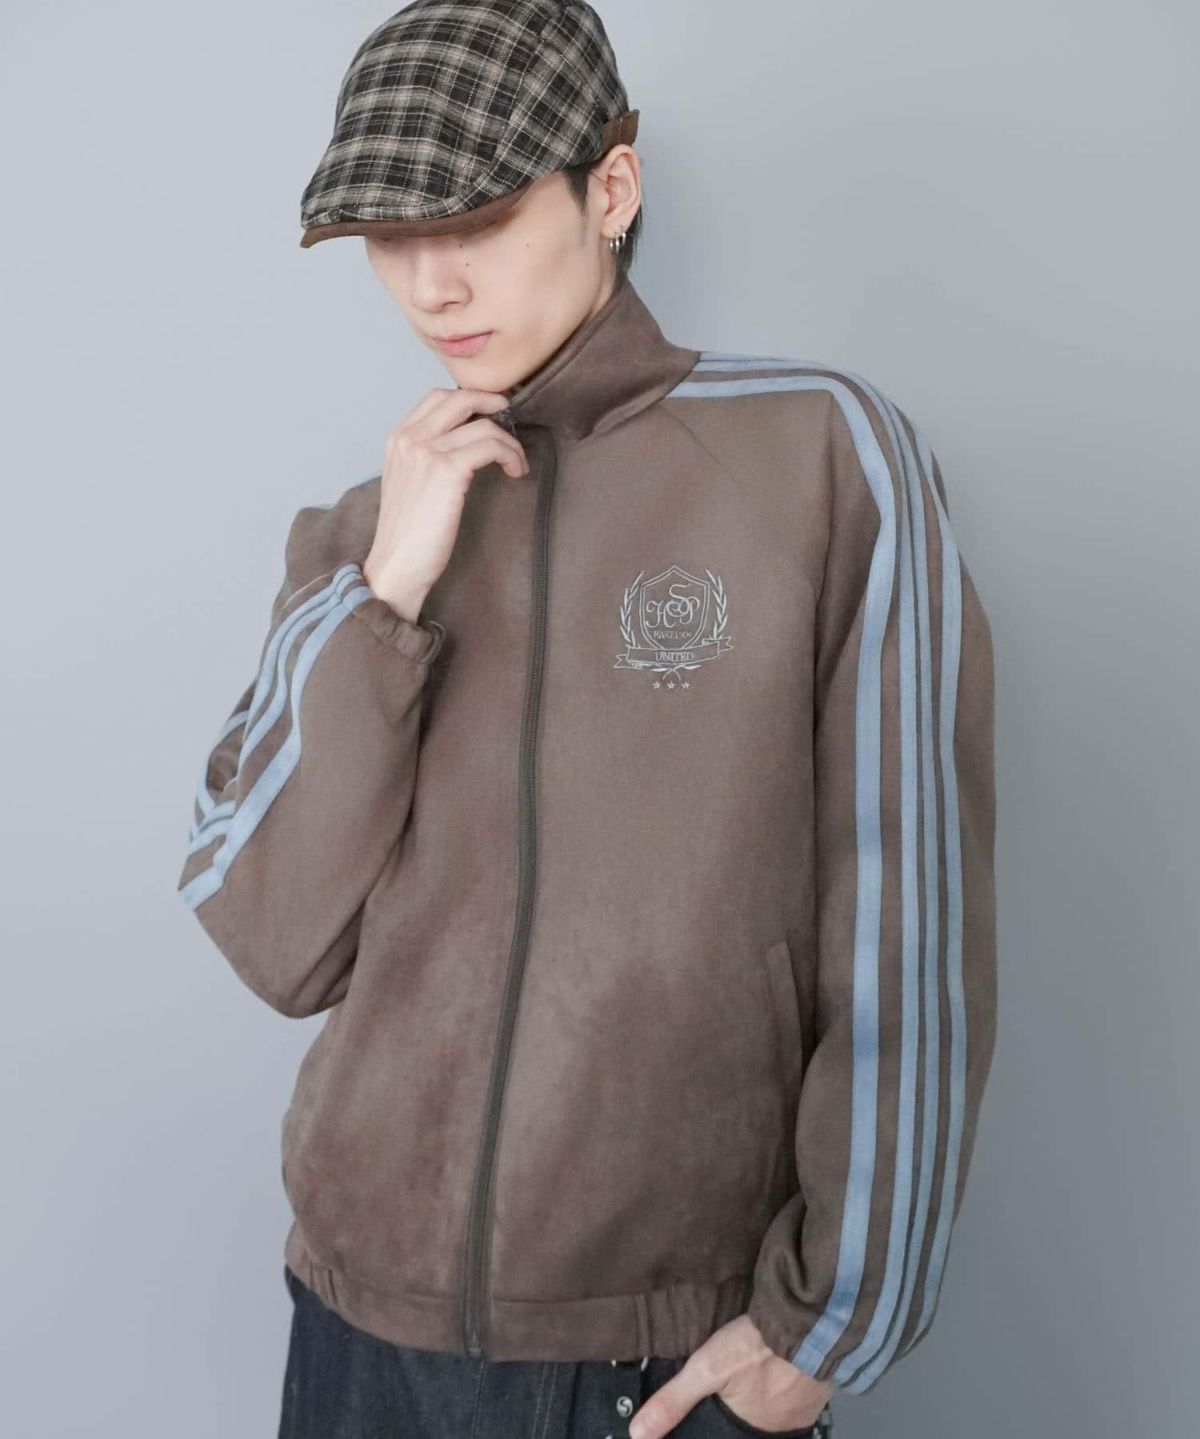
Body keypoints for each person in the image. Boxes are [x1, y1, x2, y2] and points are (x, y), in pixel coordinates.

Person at [176, 3, 998, 1436]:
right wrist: (386, 594)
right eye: (389, 237)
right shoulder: (367, 534)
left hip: (657, 1359)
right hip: (361, 1333)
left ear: (608, 190)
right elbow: (271, 937)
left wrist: (828, 1328)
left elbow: (908, 923)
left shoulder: (820, 458)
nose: (431, 285)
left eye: (478, 221)